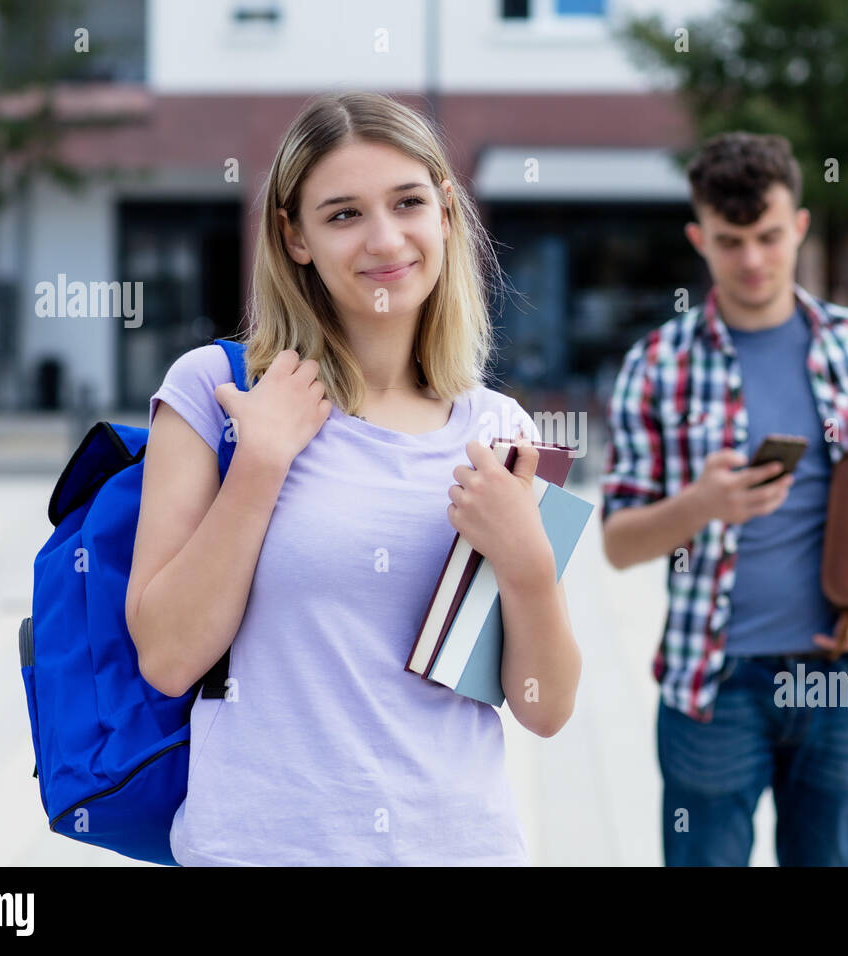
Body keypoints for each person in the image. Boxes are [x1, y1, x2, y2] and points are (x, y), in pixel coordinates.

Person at [127, 92, 582, 866]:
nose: (384, 238)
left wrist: (528, 565)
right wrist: (262, 464)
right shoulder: (216, 390)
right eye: (342, 215)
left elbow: (545, 711)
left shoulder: (501, 429)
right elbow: (168, 658)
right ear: (293, 236)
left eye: (408, 202)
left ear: (444, 211)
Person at [600, 132, 848, 866]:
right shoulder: (656, 366)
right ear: (698, 238)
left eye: (770, 236)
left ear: (800, 226)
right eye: (731, 240)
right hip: (714, 685)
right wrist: (699, 505)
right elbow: (618, 544)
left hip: (836, 674)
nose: (752, 259)